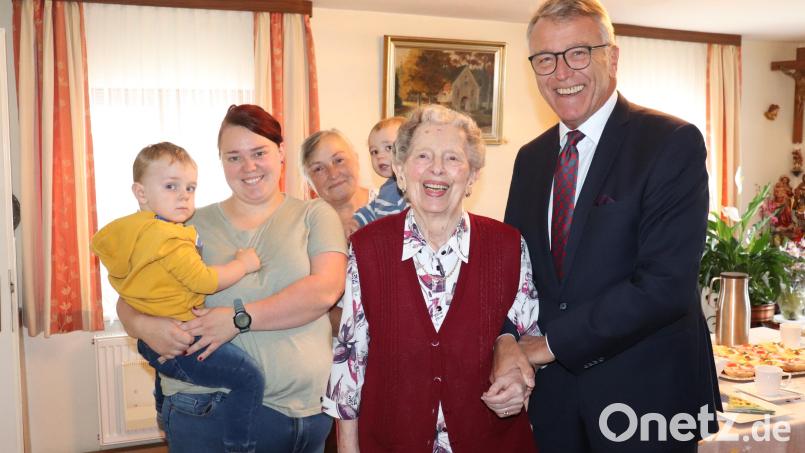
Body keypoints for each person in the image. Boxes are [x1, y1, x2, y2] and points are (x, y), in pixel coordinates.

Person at [492, 1, 721, 451]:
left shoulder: (670, 143)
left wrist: (543, 345)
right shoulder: (531, 158)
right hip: (554, 403)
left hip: (647, 401)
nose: (562, 73)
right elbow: (513, 271)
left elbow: (663, 287)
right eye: (545, 59)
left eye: (578, 52)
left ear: (611, 57)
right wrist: (505, 338)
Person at [117, 104, 348, 453]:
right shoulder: (186, 225)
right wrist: (143, 326)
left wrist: (238, 320)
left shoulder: (315, 214)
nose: (249, 167)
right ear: (220, 161)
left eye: (259, 153)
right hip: (212, 413)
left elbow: (324, 291)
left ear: (281, 153)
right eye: (234, 157)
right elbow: (131, 296)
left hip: (307, 414)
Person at [322, 105, 539, 453]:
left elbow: (530, 340)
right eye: (422, 156)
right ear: (400, 172)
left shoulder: (509, 245)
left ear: (471, 176)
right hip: (392, 441)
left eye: (453, 158)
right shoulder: (366, 248)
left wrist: (520, 381)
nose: (437, 169)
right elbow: (350, 361)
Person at [92, 142, 264, 453]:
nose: (184, 195)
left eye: (190, 187)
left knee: (164, 369)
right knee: (249, 377)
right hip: (181, 341)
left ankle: (161, 410)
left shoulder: (134, 233)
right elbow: (206, 280)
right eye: (171, 186)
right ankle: (241, 445)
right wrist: (244, 264)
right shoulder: (170, 239)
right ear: (141, 193)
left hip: (152, 341)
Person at [301, 129, 371, 237]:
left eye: (339, 160)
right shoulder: (304, 227)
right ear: (308, 182)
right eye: (318, 169)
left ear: (356, 159)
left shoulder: (394, 203)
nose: (333, 174)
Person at [353, 117, 408, 228]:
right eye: (374, 151)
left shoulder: (409, 187)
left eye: (388, 147)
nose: (379, 156)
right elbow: (373, 209)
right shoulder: (387, 187)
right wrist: (355, 221)